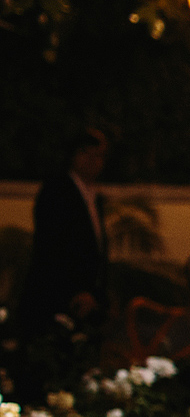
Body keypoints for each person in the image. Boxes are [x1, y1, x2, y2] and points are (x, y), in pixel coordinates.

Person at [21, 127, 110, 340]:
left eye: (98, 155)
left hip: (85, 300)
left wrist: (97, 293)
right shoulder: (57, 191)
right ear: (73, 155)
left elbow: (96, 250)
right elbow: (52, 247)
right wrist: (75, 291)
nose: (92, 160)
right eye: (85, 153)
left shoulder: (94, 198)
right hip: (57, 297)